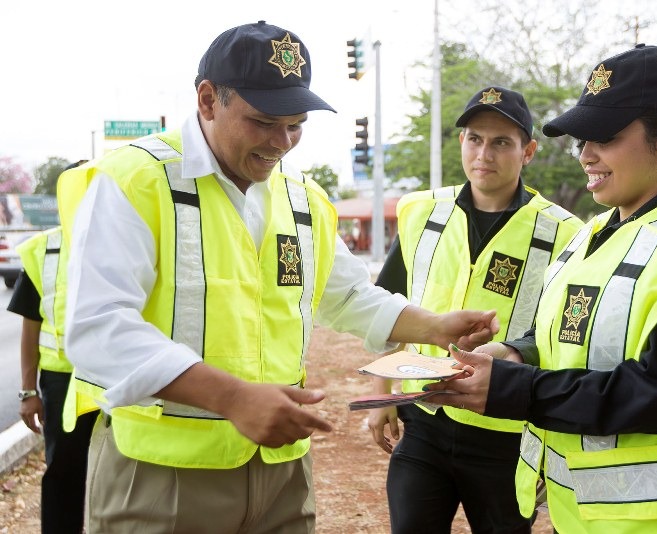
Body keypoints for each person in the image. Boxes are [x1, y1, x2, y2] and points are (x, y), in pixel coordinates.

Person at [58, 21, 499, 533]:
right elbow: (98, 329)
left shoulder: (299, 198)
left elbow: (347, 294)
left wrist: (434, 327)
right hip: (162, 476)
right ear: (207, 100)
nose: (283, 142)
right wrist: (232, 397)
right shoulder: (135, 182)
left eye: (296, 125)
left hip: (280, 473)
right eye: (265, 121)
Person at [425, 44, 657, 534]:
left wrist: (511, 389)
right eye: (580, 139)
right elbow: (578, 335)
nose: (586, 155)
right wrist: (517, 354)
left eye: (604, 138)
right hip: (586, 517)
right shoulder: (597, 233)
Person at [368, 86, 583, 533]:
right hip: (422, 419)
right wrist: (382, 392)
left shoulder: (566, 233)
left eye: (502, 141)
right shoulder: (420, 212)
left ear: (528, 151)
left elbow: (566, 336)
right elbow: (388, 307)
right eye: (474, 138)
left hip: (506, 431)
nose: (484, 153)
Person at [9, 223, 96, 534]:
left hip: (117, 381)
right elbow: (30, 327)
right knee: (64, 470)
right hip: (63, 383)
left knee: (120, 474)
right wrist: (27, 392)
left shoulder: (125, 234)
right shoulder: (43, 248)